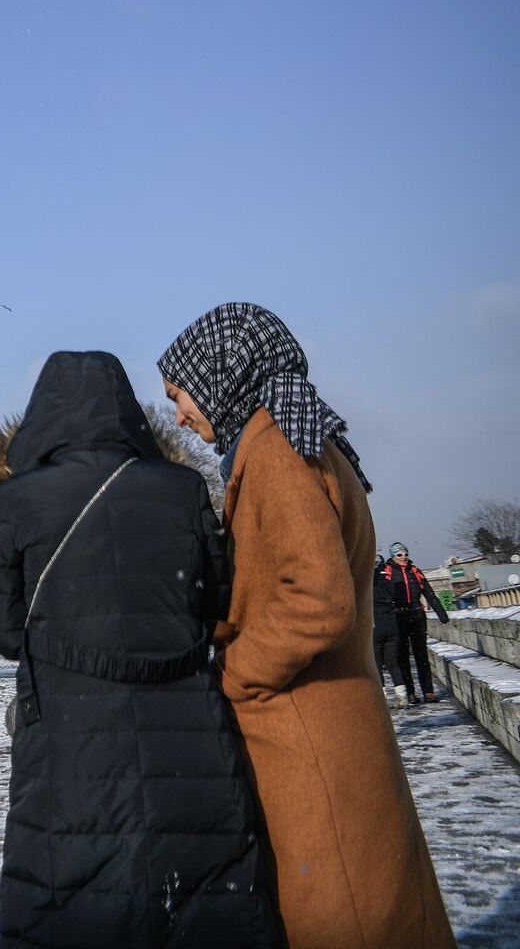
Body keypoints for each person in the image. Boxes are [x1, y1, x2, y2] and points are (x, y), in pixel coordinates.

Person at [160, 303, 453, 947]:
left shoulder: (273, 452)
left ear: (220, 375)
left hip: (309, 741)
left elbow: (317, 599)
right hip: (338, 727)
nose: (179, 414)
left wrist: (234, 675)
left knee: (343, 912)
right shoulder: (296, 437)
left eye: (181, 395)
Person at [0, 350, 275, 946]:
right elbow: (217, 601)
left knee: (73, 900)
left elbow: (0, 629)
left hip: (69, 744)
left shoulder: (20, 501)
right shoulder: (184, 488)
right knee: (199, 901)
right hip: (186, 738)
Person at [383, 541, 450, 703]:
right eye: (399, 555)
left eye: (406, 554)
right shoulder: (387, 572)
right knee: (403, 656)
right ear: (393, 557)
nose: (404, 557)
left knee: (421, 654)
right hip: (398, 618)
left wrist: (441, 613)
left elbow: (429, 592)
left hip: (417, 615)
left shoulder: (415, 571)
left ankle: (428, 691)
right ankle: (411, 693)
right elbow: (381, 595)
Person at [372, 556, 413, 707]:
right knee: (392, 663)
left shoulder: (368, 585)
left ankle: (381, 699)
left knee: (376, 663)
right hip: (392, 626)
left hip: (375, 626)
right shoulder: (390, 583)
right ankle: (402, 697)